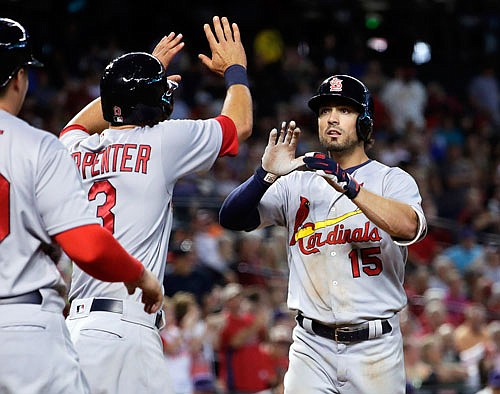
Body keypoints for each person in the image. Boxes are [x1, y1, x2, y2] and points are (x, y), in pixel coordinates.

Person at [59, 16, 252, 394]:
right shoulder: (163, 141)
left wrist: (136, 81)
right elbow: (239, 124)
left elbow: (76, 124)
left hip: (76, 328)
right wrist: (235, 69)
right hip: (127, 328)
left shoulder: (72, 149)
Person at [219, 74, 427, 393]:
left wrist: (350, 186)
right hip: (311, 348)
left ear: (365, 122)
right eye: (324, 110)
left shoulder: (391, 180)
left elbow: (409, 226)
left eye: (344, 110)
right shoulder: (298, 182)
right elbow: (232, 217)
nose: (332, 118)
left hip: (375, 349)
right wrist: (265, 174)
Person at [0, 18, 162, 394]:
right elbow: (87, 246)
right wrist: (141, 276)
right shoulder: (37, 146)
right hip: (24, 328)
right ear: (18, 78)